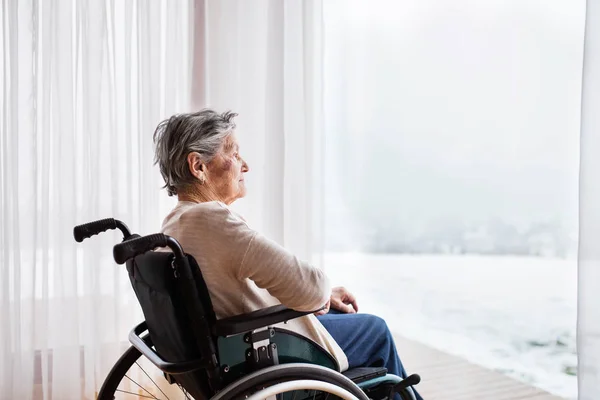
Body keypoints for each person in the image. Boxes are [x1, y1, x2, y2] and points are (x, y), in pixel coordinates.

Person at [154, 109, 422, 399]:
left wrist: (320, 298)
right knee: (374, 330)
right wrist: (318, 296)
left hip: (230, 346)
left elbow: (255, 293)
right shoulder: (214, 221)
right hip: (259, 351)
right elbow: (311, 286)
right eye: (233, 153)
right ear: (198, 166)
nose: (245, 166)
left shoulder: (174, 224)